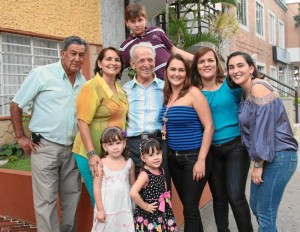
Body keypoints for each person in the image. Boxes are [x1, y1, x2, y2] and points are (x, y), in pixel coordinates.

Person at [10, 36, 88, 232]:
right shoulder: (42, 74)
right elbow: (16, 104)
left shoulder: (83, 81)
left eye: (81, 55)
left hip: (72, 150)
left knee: (72, 198)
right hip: (45, 148)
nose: (77, 59)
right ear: (62, 54)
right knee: (46, 201)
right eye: (73, 54)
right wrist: (20, 136)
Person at [227, 51, 298, 232]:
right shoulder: (245, 91)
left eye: (240, 65)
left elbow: (262, 129)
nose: (235, 70)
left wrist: (258, 163)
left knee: (265, 212)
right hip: (269, 155)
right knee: (256, 206)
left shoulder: (258, 87)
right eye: (231, 67)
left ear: (251, 68)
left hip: (279, 156)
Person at [191, 47, 253, 232]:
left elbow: (251, 98)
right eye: (201, 61)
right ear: (196, 66)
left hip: (236, 146)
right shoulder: (193, 91)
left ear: (217, 63)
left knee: (235, 195)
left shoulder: (230, 84)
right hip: (211, 149)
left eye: (210, 60)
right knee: (219, 196)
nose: (206, 64)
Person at [159, 54, 214, 232]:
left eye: (181, 70)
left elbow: (209, 126)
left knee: (189, 209)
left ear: (187, 73)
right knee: (189, 207)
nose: (177, 73)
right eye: (173, 69)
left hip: (193, 158)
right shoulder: (167, 95)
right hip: (174, 159)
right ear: (166, 71)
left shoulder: (193, 93)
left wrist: (201, 160)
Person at [72, 47, 128, 207]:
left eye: (117, 60)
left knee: (112, 200)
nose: (113, 63)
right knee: (100, 202)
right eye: (108, 59)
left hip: (112, 153)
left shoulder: (119, 88)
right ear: (100, 63)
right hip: (91, 152)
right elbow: (82, 122)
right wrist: (91, 155)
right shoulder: (92, 87)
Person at [122, 41, 171, 191]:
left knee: (162, 191)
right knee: (137, 191)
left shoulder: (165, 88)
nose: (146, 64)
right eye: (141, 60)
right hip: (134, 146)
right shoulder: (125, 90)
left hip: (158, 144)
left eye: (150, 60)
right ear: (133, 64)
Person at [120, 2, 193, 79]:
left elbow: (174, 50)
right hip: (155, 86)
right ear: (127, 23)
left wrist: (197, 59)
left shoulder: (157, 31)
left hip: (176, 77)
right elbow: (117, 68)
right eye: (133, 21)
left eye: (140, 20)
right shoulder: (126, 47)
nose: (137, 24)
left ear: (145, 19)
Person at [91, 126, 135, 232]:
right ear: (105, 147)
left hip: (124, 207)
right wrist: (100, 210)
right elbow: (96, 188)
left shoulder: (129, 163)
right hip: (107, 208)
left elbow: (133, 186)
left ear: (124, 144)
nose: (115, 147)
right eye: (110, 144)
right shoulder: (101, 164)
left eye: (118, 143)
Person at [130, 139, 178, 231]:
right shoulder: (145, 174)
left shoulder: (161, 170)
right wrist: (145, 206)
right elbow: (133, 192)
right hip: (150, 215)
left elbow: (164, 188)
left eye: (158, 153)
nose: (156, 157)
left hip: (162, 211)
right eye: (151, 155)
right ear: (143, 158)